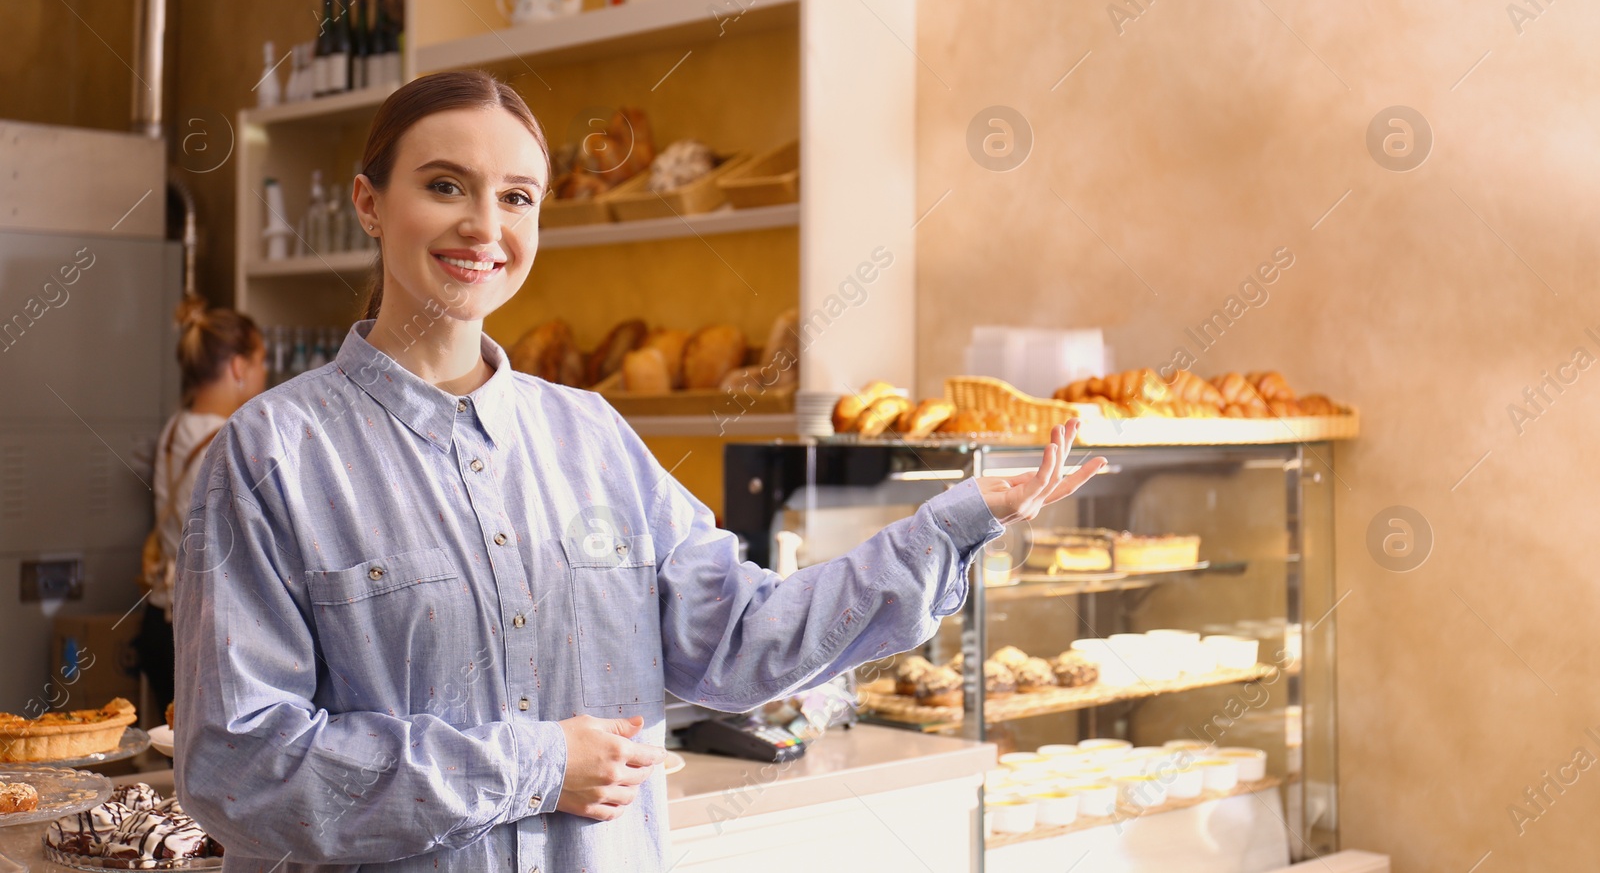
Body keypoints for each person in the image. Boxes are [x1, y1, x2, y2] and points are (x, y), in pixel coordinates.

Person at [173, 70, 1107, 872]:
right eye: (447, 184)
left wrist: (953, 521)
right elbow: (236, 767)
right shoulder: (270, 455)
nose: (484, 224)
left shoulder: (593, 435)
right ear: (370, 202)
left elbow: (740, 642)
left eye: (517, 196)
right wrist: (536, 765)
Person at [136, 295, 265, 720]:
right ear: (239, 367)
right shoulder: (230, 442)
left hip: (158, 620)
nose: (265, 375)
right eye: (260, 361)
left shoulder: (176, 427)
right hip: (202, 632)